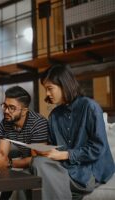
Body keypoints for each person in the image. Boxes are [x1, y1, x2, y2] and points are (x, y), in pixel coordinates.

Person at [32, 64, 115, 200]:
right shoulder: (54, 115)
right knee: (36, 163)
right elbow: (54, 146)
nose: (47, 94)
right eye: (45, 89)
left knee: (38, 169)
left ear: (64, 85)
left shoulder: (90, 107)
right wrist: (44, 150)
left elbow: (98, 148)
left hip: (88, 171)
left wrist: (65, 155)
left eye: (50, 88)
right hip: (66, 167)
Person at [0, 86, 49, 200]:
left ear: (24, 110)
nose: (6, 111)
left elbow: (36, 160)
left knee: (16, 177)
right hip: (24, 159)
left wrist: (9, 164)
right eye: (5, 106)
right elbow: (2, 154)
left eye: (12, 108)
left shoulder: (38, 123)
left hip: (44, 164)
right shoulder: (6, 122)